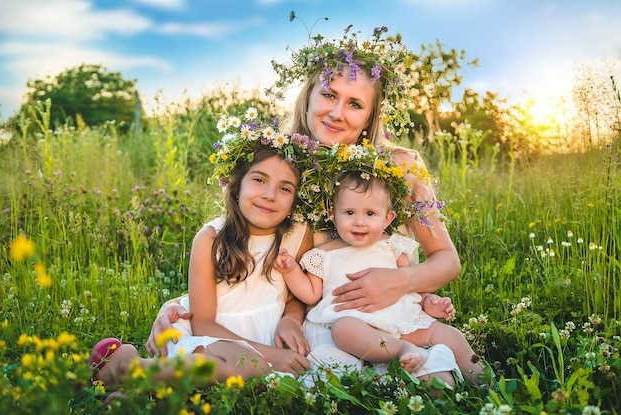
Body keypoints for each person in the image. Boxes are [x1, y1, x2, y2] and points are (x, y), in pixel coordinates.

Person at [148, 25, 472, 381]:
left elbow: (447, 260)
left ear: (369, 116)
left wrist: (400, 280)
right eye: (329, 95)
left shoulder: (397, 168)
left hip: (395, 315)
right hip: (326, 327)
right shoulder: (286, 164)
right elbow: (246, 253)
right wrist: (180, 308)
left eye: (354, 104)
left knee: (443, 375)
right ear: (309, 95)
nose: (336, 112)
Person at [90, 116, 318, 387]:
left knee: (268, 375)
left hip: (265, 337)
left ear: (294, 200)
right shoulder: (211, 238)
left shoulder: (297, 237)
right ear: (237, 187)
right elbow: (204, 323)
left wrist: (291, 320)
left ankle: (136, 393)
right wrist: (272, 356)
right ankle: (130, 369)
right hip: (211, 338)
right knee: (240, 366)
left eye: (285, 188)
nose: (270, 194)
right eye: (259, 179)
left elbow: (295, 296)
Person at [276, 170, 482, 385]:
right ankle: (403, 352)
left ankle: (485, 383)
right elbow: (310, 295)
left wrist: (429, 301)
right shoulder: (323, 253)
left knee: (451, 336)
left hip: (399, 322)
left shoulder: (392, 246)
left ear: (387, 218)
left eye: (370, 214)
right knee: (343, 329)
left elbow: (411, 286)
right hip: (358, 330)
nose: (359, 222)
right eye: (349, 213)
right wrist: (291, 271)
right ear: (332, 215)